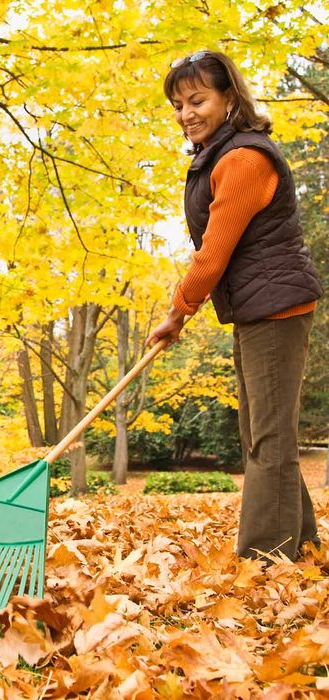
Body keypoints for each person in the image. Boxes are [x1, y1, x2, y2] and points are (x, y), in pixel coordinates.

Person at [147, 50, 323, 563]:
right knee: (263, 435)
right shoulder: (219, 154)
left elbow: (214, 253)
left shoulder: (245, 158)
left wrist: (178, 312)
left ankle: (264, 559)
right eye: (178, 105)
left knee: (268, 438)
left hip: (278, 308)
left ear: (229, 98)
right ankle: (303, 544)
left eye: (197, 100)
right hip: (256, 307)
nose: (186, 114)